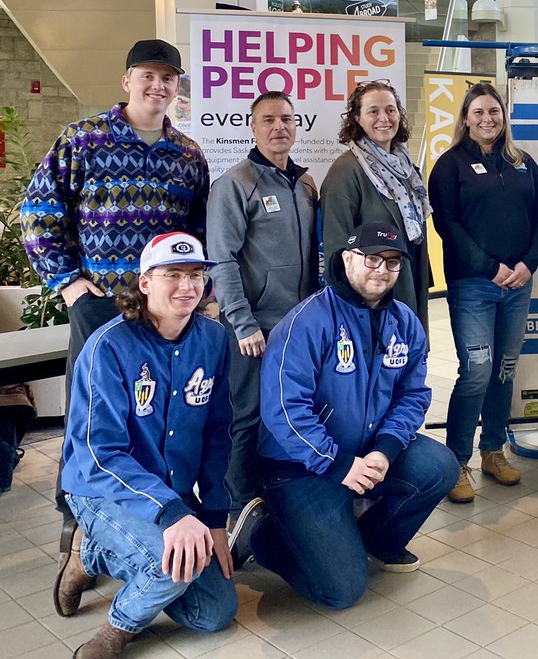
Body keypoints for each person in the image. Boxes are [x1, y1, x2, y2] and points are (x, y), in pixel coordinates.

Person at [21, 38, 209, 551]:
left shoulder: (188, 155)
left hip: (164, 307)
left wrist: (196, 289)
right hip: (101, 303)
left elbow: (198, 234)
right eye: (147, 75)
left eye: (168, 77)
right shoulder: (83, 139)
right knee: (93, 410)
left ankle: (153, 504)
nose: (158, 85)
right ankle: (77, 511)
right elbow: (37, 213)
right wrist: (68, 283)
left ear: (176, 86)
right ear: (127, 80)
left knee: (156, 410)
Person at [249, 222, 459, 609]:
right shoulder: (308, 322)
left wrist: (385, 449)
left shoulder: (405, 322)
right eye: (372, 259)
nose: (382, 270)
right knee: (341, 592)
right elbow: (284, 410)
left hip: (365, 452)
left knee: (440, 467)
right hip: (300, 465)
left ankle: (373, 541)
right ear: (346, 259)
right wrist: (339, 463)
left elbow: (413, 395)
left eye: (393, 262)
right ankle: (266, 538)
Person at [54, 233, 236, 659]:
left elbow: (217, 431)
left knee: (215, 612)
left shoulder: (213, 339)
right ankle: (116, 629)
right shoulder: (109, 347)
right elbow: (100, 454)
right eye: (172, 274)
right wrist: (172, 514)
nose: (187, 286)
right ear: (145, 282)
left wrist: (211, 516)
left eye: (196, 274)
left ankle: (94, 556)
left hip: (168, 493)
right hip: (99, 489)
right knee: (170, 568)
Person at [429, 82, 538, 503]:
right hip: (473, 285)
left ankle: (492, 450)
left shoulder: (522, 163)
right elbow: (447, 224)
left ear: (504, 117)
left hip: (518, 284)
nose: (488, 119)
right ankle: (456, 461)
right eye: (479, 112)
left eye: (494, 112)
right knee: (477, 371)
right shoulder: (450, 166)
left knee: (504, 368)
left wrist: (526, 265)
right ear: (466, 118)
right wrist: (490, 267)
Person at [206, 90, 320, 526]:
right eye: (268, 119)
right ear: (252, 127)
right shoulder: (235, 183)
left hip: (299, 329)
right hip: (254, 330)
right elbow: (222, 259)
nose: (279, 127)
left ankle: (278, 500)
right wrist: (242, 322)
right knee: (246, 419)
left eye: (287, 119)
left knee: (290, 412)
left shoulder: (306, 183)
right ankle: (237, 511)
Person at [321, 79, 431, 327]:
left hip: (407, 287)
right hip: (368, 304)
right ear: (357, 119)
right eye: (373, 111)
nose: (384, 118)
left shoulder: (407, 169)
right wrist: (352, 310)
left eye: (390, 110)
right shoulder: (346, 171)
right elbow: (337, 250)